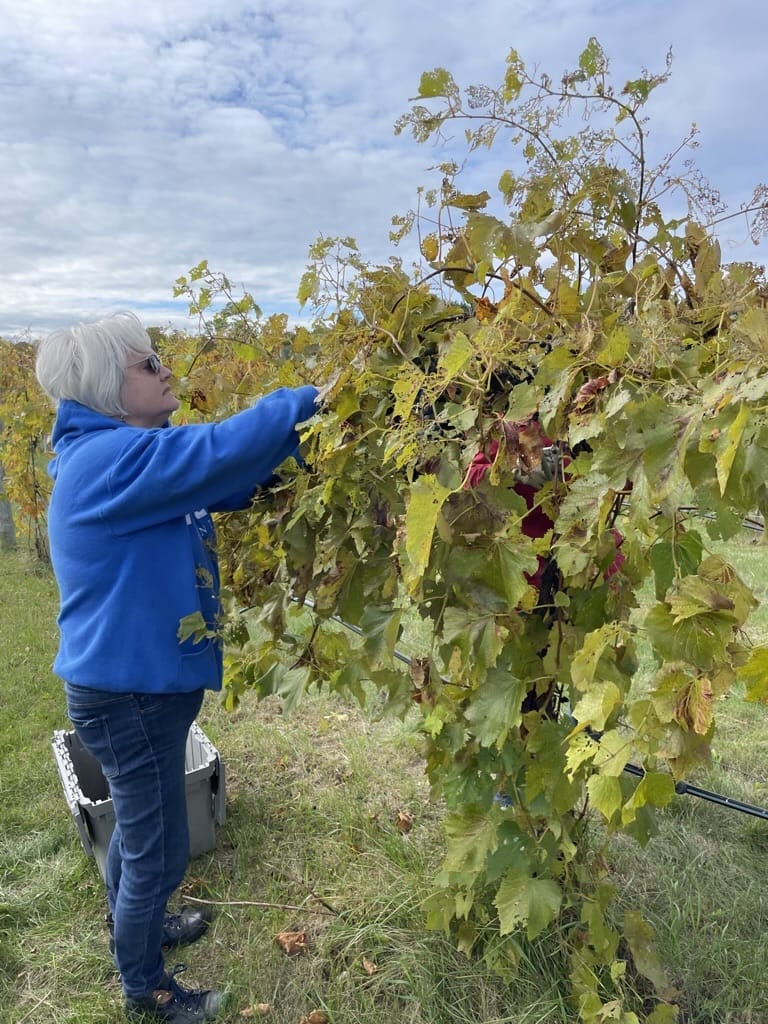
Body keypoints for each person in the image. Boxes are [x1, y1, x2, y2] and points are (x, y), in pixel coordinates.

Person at [36, 311, 319, 1022]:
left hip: (135, 692)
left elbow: (225, 479)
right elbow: (215, 452)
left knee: (140, 833)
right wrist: (309, 401)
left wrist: (293, 455)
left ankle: (137, 926)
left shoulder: (125, 456)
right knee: (158, 852)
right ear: (109, 389)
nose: (166, 371)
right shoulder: (109, 462)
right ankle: (146, 987)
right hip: (128, 698)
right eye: (148, 364)